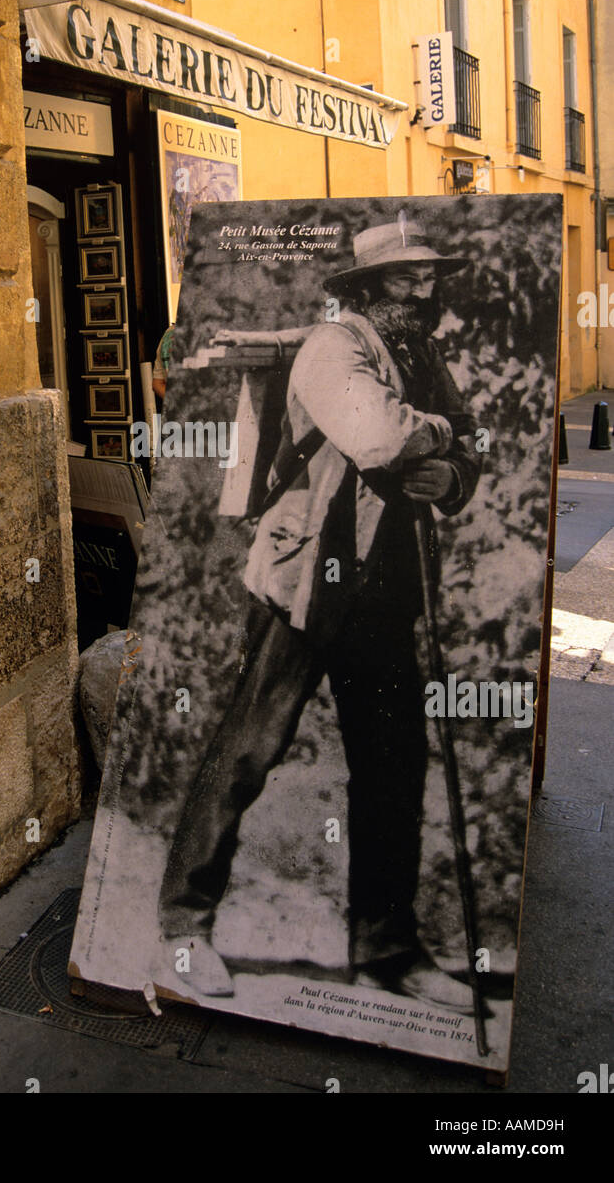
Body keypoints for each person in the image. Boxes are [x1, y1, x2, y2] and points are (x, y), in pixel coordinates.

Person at [158, 217, 481, 1011]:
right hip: (304, 575)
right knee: (247, 752)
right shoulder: (333, 346)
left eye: (430, 276)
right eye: (408, 278)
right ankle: (182, 933)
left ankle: (386, 948)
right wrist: (436, 435)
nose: (425, 289)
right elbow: (376, 438)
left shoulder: (418, 353)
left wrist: (452, 478)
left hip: (383, 585)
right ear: (368, 288)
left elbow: (466, 440)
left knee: (391, 765)